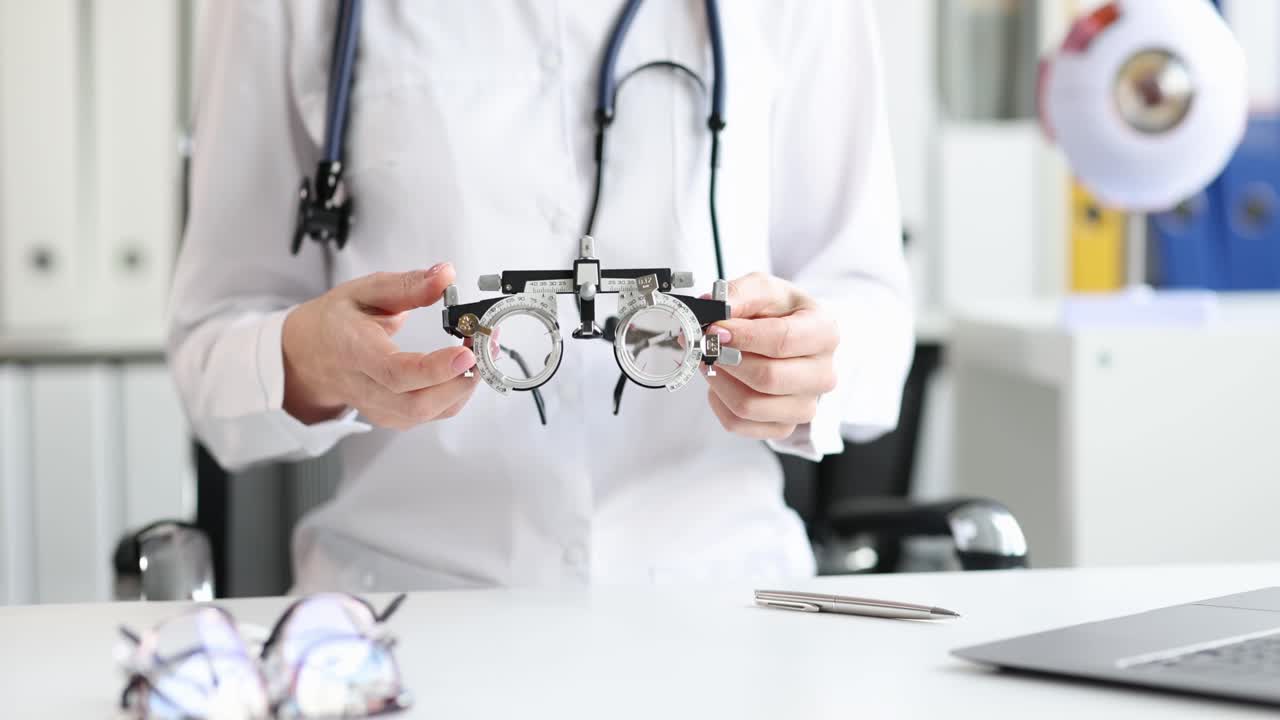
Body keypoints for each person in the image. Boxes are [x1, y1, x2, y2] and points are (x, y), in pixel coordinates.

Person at [169, 1, 913, 592]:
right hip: (412, 609)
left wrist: (812, 362)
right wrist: (309, 361)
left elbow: (874, 315)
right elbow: (212, 348)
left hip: (725, 599)